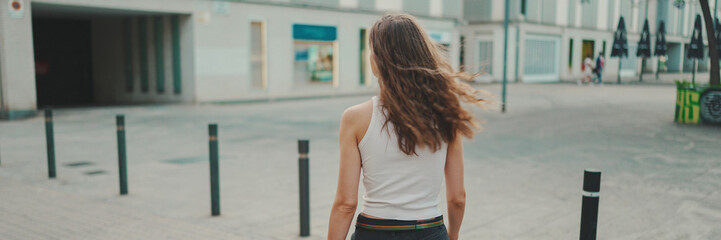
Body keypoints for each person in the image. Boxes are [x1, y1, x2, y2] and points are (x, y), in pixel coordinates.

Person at [327, 14, 487, 240]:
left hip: (375, 232)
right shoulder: (446, 115)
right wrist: (453, 236)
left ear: (376, 61)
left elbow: (345, 204)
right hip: (429, 231)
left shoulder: (355, 118)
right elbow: (457, 198)